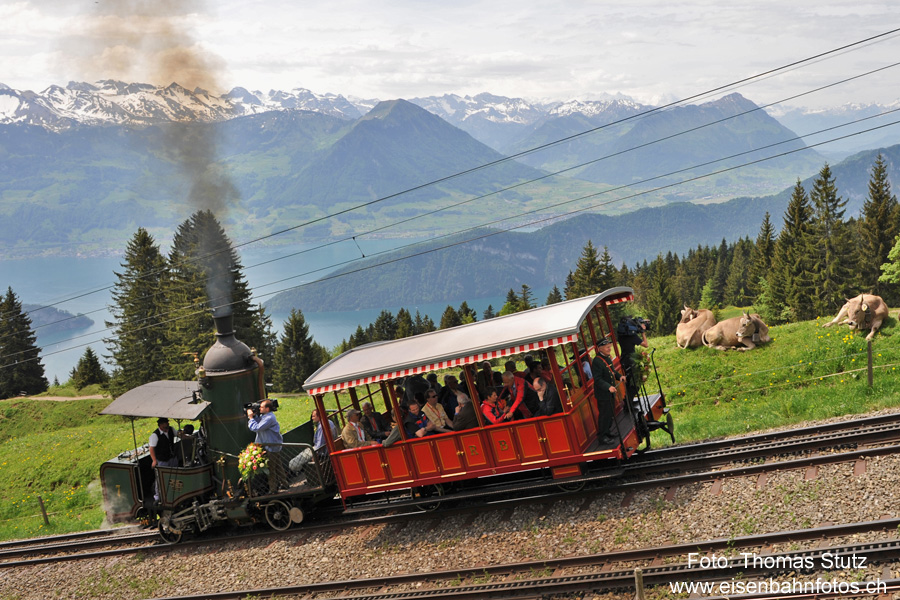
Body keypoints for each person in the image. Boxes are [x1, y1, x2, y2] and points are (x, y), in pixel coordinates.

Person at [591, 336, 626, 445]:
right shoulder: (597, 361)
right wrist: (608, 387)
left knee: (610, 413)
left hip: (610, 392)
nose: (609, 349)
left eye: (609, 347)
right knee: (604, 415)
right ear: (599, 348)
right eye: (606, 347)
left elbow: (612, 372)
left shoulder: (607, 358)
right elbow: (597, 379)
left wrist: (620, 376)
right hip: (603, 394)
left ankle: (607, 431)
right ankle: (602, 436)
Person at [247, 399, 285, 492]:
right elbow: (259, 421)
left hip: (271, 447)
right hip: (273, 446)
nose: (260, 408)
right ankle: (285, 484)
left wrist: (251, 418)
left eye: (261, 407)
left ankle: (273, 490)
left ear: (267, 409)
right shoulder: (265, 416)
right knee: (278, 467)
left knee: (271, 470)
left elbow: (257, 427)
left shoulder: (269, 418)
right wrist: (255, 415)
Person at [289, 408, 337, 474]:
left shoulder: (322, 426)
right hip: (325, 448)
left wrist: (315, 454)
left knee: (292, 464)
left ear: (319, 416)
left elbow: (320, 445)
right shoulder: (329, 422)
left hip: (322, 451)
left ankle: (300, 473)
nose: (312, 418)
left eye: (314, 416)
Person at [617, 318, 649, 400]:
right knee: (636, 383)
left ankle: (628, 401)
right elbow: (645, 344)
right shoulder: (632, 337)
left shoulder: (621, 336)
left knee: (629, 383)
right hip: (631, 361)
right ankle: (628, 404)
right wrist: (643, 333)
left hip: (624, 360)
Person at [149, 417, 178, 502]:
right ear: (160, 425)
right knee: (160, 478)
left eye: (167, 423)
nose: (167, 424)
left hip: (172, 458)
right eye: (165, 423)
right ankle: (157, 496)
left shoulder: (171, 430)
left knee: (174, 475)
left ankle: (173, 492)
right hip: (162, 460)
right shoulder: (155, 435)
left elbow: (179, 435)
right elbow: (151, 448)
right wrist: (154, 460)